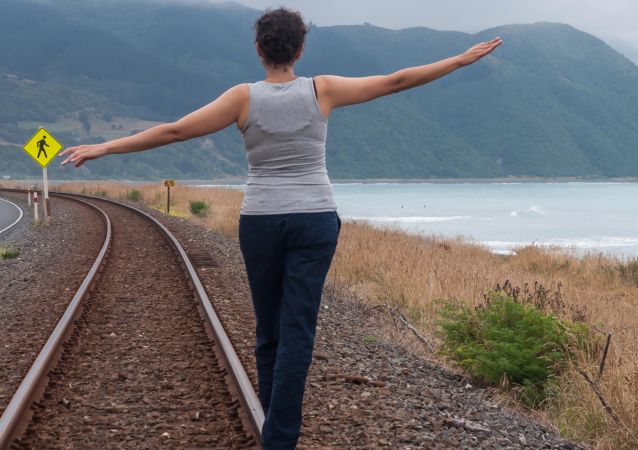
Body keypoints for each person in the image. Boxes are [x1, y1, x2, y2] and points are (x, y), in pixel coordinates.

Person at [59, 7, 501, 450]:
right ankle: (279, 437)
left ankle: (276, 433)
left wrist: (103, 148)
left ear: (258, 49)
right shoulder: (321, 89)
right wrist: (459, 60)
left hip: (261, 221)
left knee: (269, 331)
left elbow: (175, 131)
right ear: (301, 48)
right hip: (314, 219)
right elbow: (397, 80)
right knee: (297, 331)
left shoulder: (241, 98)